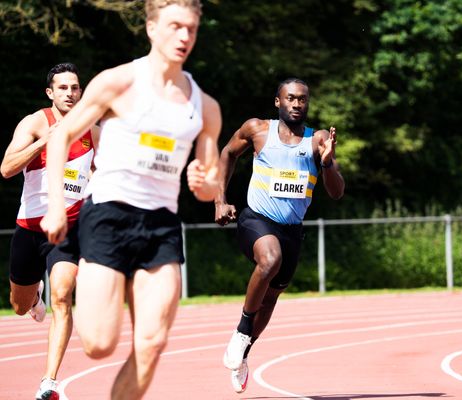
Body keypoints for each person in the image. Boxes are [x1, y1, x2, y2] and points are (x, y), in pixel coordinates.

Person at [40, 1, 221, 398]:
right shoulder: (117, 82)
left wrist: (205, 185)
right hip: (108, 217)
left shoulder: (204, 107)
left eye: (191, 28)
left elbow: (210, 184)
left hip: (161, 226)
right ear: (151, 28)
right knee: (98, 344)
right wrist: (55, 205)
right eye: (175, 26)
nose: (184, 37)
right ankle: (104, 280)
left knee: (152, 343)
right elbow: (61, 137)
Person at [211, 77, 345, 393]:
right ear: (278, 102)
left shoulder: (317, 140)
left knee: (272, 294)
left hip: (291, 230)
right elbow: (228, 154)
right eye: (291, 98)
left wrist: (326, 164)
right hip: (256, 219)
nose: (297, 104)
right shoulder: (257, 129)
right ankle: (241, 332)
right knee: (270, 260)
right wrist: (220, 198)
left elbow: (337, 192)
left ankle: (244, 352)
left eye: (302, 100)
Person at [0, 62, 97, 400]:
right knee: (18, 304)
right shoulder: (35, 122)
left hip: (68, 230)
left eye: (75, 87)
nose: (70, 93)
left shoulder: (91, 131)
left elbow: (109, 171)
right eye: (63, 88)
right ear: (50, 93)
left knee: (62, 296)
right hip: (30, 228)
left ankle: (49, 382)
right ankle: (32, 297)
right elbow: (7, 168)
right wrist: (45, 142)